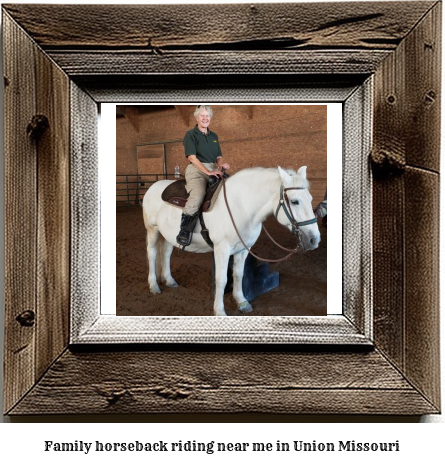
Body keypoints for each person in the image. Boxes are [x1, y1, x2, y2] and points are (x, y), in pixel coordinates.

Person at [176, 105, 230, 246]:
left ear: (210, 118)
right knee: (198, 195)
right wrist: (207, 172)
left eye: (207, 116)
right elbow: (192, 158)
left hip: (213, 168)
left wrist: (222, 165)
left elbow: (218, 156)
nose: (205, 118)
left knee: (230, 189)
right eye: (202, 115)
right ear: (196, 117)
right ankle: (184, 229)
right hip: (196, 169)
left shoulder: (214, 136)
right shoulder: (190, 135)